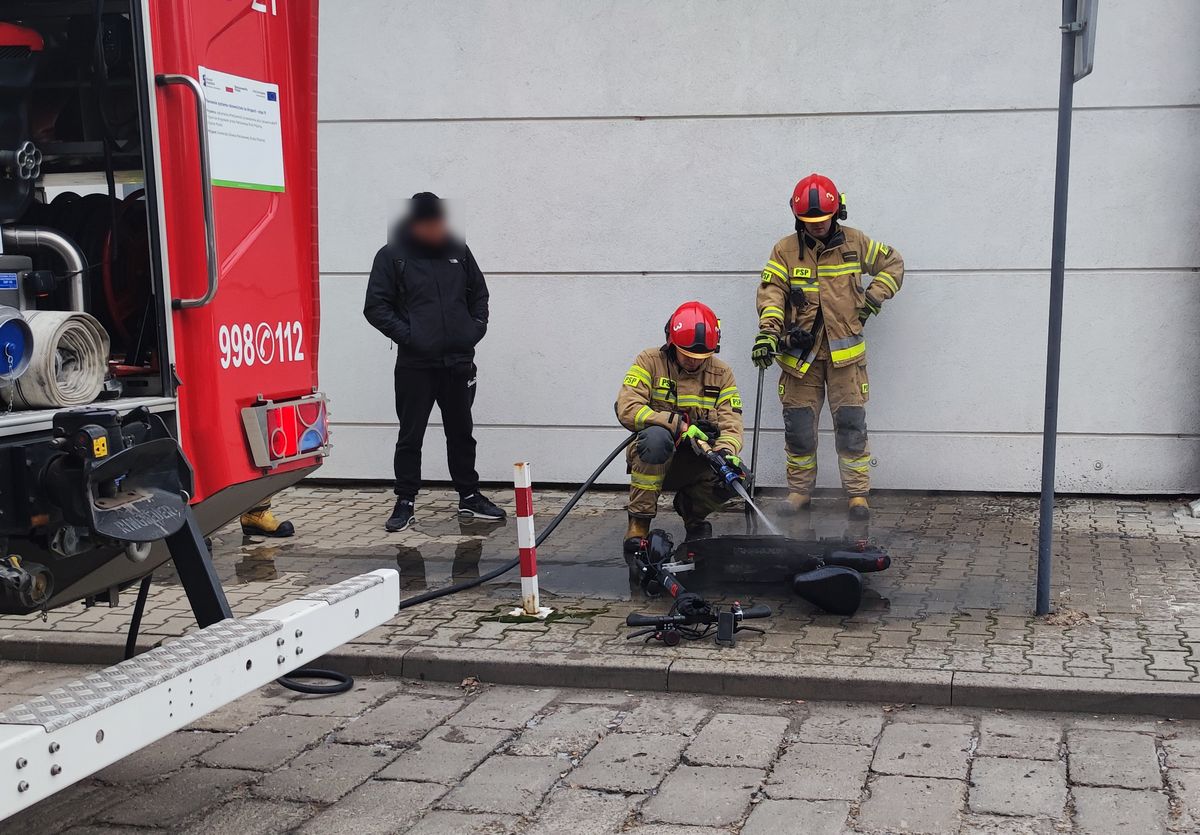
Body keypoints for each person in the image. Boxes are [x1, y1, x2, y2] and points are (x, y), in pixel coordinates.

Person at [752, 173, 903, 520]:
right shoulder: (785, 250)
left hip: (845, 359)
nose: (817, 227)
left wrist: (873, 298)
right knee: (799, 427)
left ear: (837, 213)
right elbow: (772, 291)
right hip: (799, 358)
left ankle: (857, 495)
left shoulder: (856, 243)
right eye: (809, 222)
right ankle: (799, 492)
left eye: (822, 220)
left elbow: (893, 264)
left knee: (851, 425)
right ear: (798, 218)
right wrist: (768, 331)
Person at [364, 192, 506, 532]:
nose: (438, 228)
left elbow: (479, 295)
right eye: (431, 223)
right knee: (410, 436)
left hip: (458, 361)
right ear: (416, 224)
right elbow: (375, 307)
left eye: (441, 221)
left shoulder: (458, 252)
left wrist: (472, 331)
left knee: (462, 433)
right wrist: (411, 336)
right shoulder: (392, 256)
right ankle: (406, 501)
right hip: (416, 365)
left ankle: (469, 496)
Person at [615, 301, 745, 550]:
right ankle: (639, 523)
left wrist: (725, 451)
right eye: (687, 354)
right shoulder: (649, 361)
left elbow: (732, 423)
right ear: (671, 341)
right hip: (654, 457)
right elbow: (628, 408)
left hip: (697, 462)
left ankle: (692, 513)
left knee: (738, 477)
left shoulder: (722, 373)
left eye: (702, 357)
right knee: (656, 439)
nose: (694, 362)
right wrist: (678, 426)